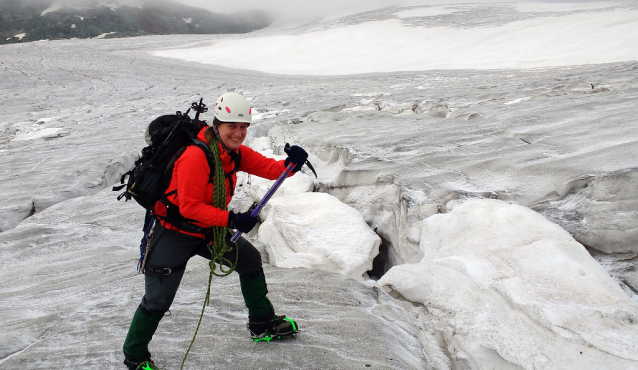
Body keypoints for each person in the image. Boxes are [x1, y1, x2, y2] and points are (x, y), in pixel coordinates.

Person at [122, 92, 308, 370]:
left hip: (209, 229)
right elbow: (188, 208)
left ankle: (261, 323)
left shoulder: (233, 153)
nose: (238, 133)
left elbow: (270, 169)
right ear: (217, 125)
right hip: (174, 232)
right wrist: (232, 219)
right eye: (232, 126)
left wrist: (290, 165)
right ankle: (135, 357)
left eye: (243, 127)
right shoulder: (195, 157)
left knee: (249, 261)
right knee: (157, 300)